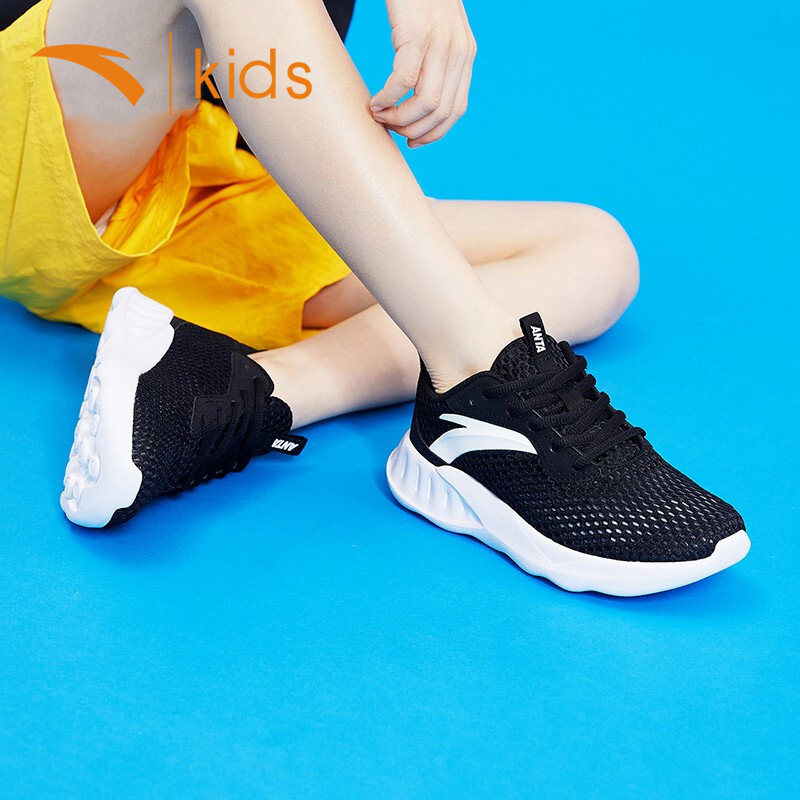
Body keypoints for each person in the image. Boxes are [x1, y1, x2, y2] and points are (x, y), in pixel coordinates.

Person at [0, 0, 749, 595]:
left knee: (595, 252)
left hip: (207, 181)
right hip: (40, 140)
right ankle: (478, 372)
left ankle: (239, 393)